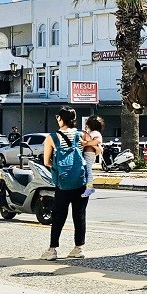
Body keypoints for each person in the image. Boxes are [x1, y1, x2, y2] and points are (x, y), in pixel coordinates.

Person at [40, 107, 99, 260]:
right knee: (79, 215)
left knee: (59, 215)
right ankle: (78, 248)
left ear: (60, 118)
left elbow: (47, 161)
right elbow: (96, 150)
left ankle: (52, 250)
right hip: (81, 180)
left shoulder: (51, 137)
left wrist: (58, 167)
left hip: (63, 183)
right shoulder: (82, 135)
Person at [82, 115, 104, 197]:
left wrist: (86, 143)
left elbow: (97, 141)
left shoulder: (94, 133)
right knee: (86, 169)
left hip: (89, 154)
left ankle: (89, 187)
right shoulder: (93, 133)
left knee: (88, 170)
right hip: (89, 153)